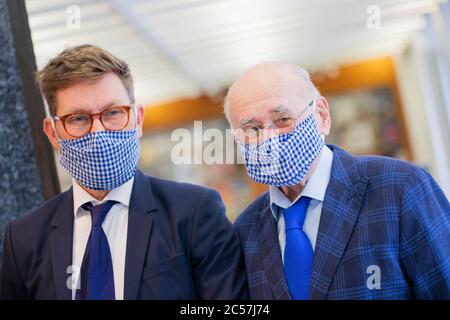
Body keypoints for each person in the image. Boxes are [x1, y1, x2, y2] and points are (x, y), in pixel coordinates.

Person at [0, 44, 248, 300]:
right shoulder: (24, 239)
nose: (98, 131)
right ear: (53, 133)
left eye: (113, 113)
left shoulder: (194, 212)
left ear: (137, 119)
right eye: (77, 118)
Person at [224, 62, 450, 299]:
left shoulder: (399, 187)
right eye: (252, 129)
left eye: (282, 119)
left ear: (321, 115)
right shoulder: (245, 231)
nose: (269, 138)